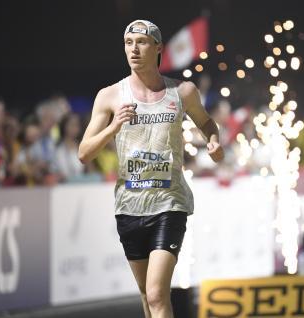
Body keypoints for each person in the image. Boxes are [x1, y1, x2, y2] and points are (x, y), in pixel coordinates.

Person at [78, 19, 224, 318]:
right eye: (128, 43)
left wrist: (214, 141)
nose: (134, 49)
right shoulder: (110, 96)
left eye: (141, 43)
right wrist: (113, 127)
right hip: (129, 206)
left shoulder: (182, 92)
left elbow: (206, 122)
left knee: (157, 294)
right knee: (148, 296)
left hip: (169, 203)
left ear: (158, 48)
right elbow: (84, 153)